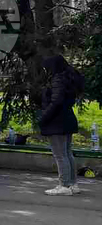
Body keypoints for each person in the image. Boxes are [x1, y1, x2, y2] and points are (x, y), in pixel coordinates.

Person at [39, 55, 85, 196]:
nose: (46, 70)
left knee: (60, 155)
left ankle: (64, 185)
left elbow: (56, 102)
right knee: (67, 153)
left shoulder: (58, 79)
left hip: (56, 121)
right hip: (67, 118)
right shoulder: (69, 78)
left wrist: (43, 117)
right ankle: (72, 184)